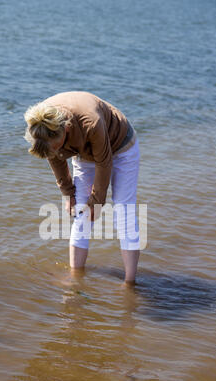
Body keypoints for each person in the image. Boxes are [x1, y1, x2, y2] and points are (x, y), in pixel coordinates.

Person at [24, 91, 141, 285]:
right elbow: (54, 157)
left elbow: (104, 162)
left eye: (57, 146)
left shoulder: (90, 122)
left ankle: (130, 283)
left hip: (121, 145)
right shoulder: (40, 126)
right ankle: (75, 278)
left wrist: (97, 200)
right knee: (81, 212)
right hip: (84, 152)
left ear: (66, 130)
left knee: (123, 211)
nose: (56, 152)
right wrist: (67, 192)